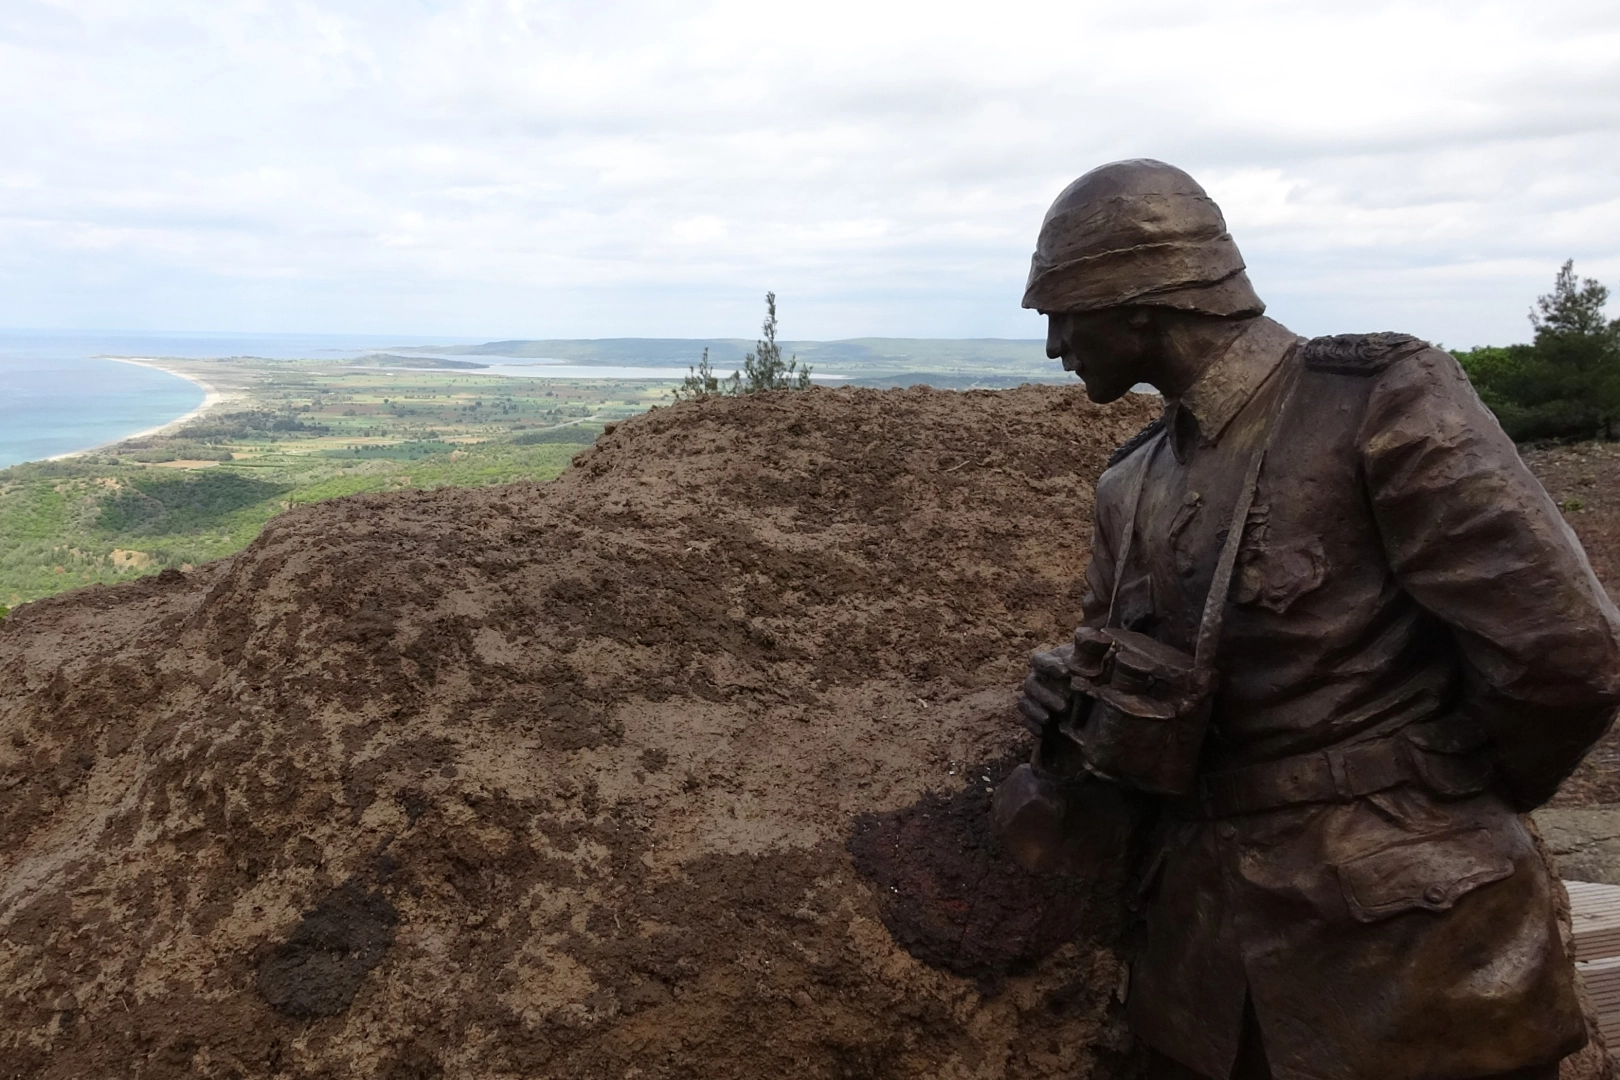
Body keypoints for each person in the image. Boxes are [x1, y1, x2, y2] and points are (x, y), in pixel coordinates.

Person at [1014, 159, 1620, 1080]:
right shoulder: (1131, 481)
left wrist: (1441, 799)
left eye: (1067, 312)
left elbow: (1567, 653)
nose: (1057, 345)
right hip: (1211, 972)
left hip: (1413, 960)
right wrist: (1078, 692)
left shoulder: (1376, 399)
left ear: (1145, 300)